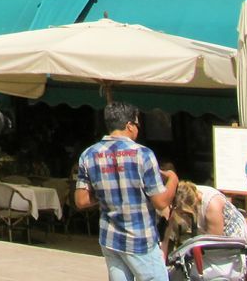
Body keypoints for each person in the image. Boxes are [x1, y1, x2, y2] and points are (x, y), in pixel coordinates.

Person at [75, 101, 179, 281]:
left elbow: (81, 200)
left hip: (110, 238)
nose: (138, 129)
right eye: (137, 124)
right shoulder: (143, 154)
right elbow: (161, 202)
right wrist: (173, 180)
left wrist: (106, 192)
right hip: (140, 239)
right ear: (129, 125)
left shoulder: (88, 154)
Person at [162, 180, 247, 251]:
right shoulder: (179, 198)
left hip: (230, 238)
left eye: (184, 214)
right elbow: (166, 237)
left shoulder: (212, 204)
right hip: (207, 234)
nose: (183, 217)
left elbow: (213, 244)